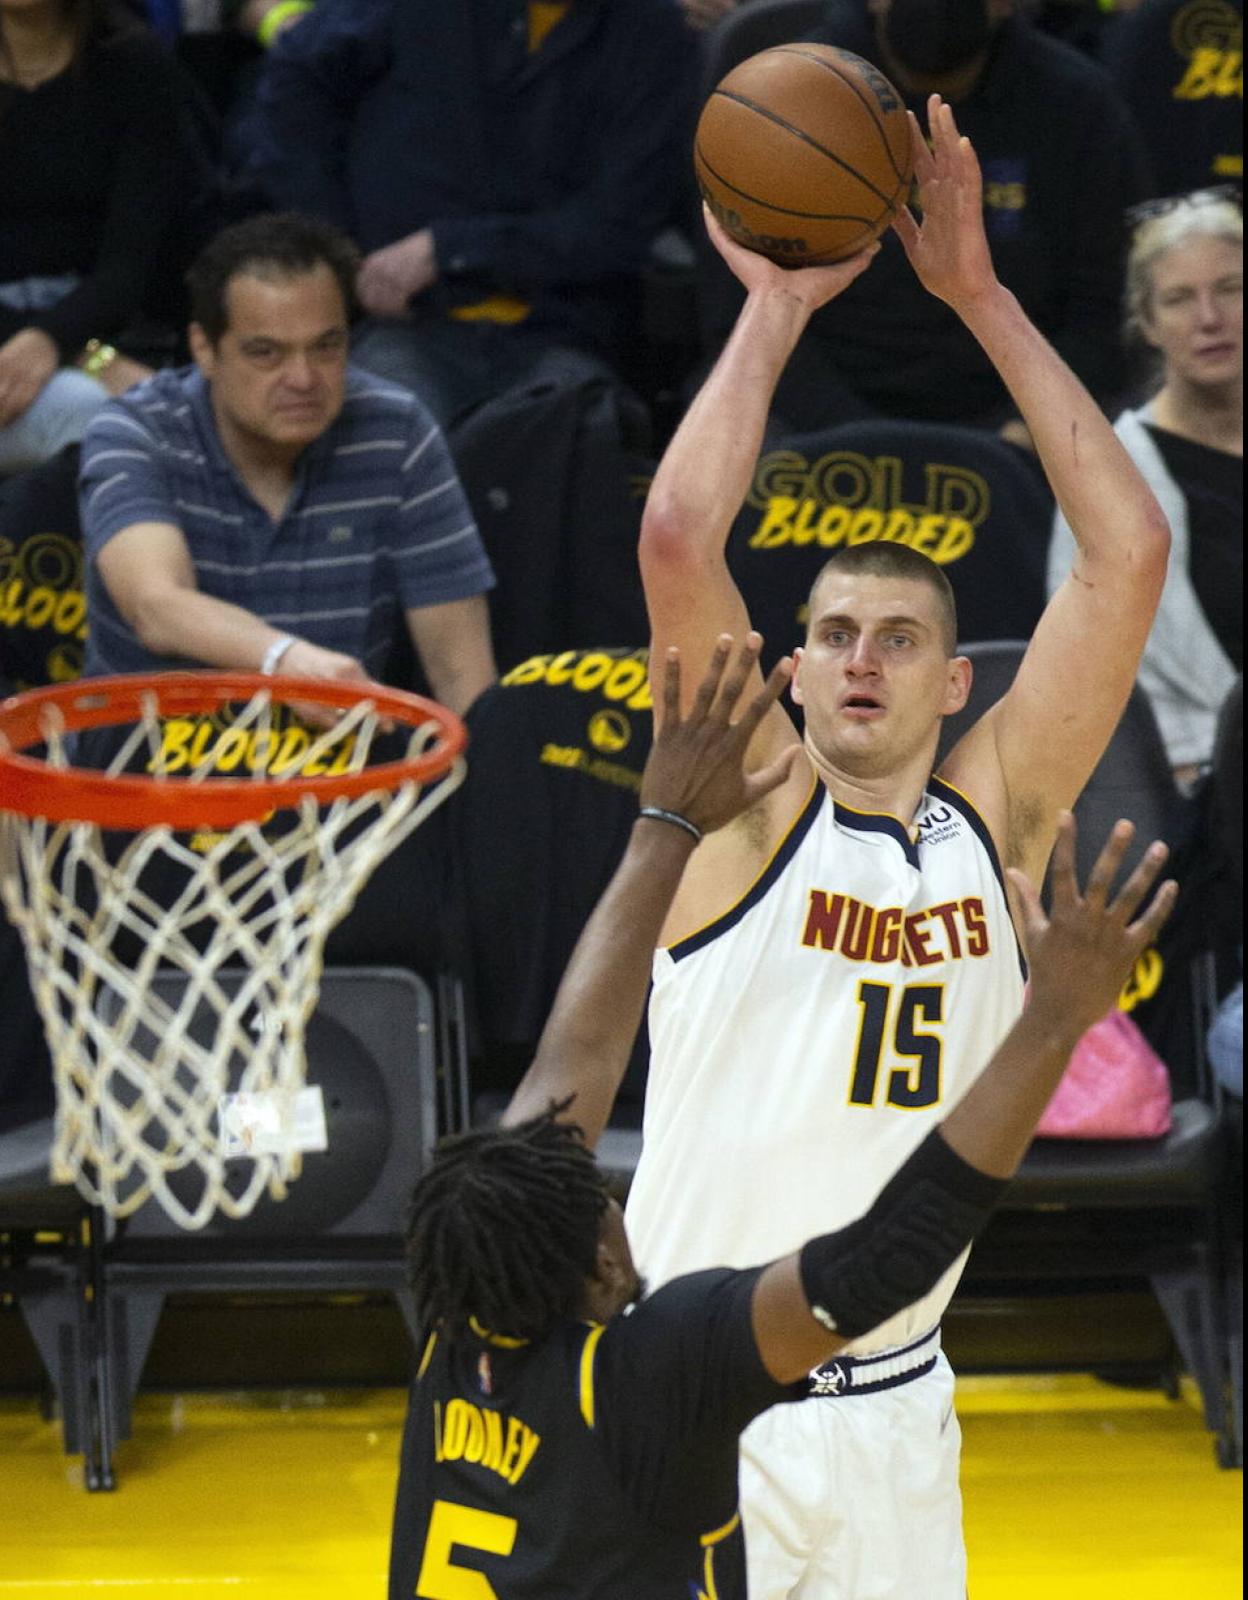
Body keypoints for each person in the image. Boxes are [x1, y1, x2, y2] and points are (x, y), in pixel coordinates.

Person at [624, 98, 1171, 1598]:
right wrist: (776, 306)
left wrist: (981, 299)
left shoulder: (993, 821)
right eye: (833, 637)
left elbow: (1128, 550)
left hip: (897, 1417)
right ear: (788, 672)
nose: (861, 660)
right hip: (699, 1393)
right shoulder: (744, 804)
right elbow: (680, 533)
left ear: (956, 682)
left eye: (901, 639)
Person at [388, 634, 1177, 1599]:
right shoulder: (649, 1369)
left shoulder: (455, 1329)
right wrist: (1051, 1022)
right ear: (600, 1264)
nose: (609, 1197)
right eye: (601, 1201)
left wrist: (668, 825)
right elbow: (889, 1251)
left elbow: (570, 1061)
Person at [77, 210, 496, 717]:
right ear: (204, 349)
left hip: (330, 774)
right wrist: (285, 660)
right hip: (144, 768)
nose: (302, 378)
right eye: (266, 353)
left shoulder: (397, 432)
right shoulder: (135, 429)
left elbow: (460, 673)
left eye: (326, 346)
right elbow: (156, 607)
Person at [696, 0, 1152, 442]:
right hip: (817, 418)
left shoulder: (1079, 104)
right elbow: (743, 304)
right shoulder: (782, 101)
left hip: (1021, 422)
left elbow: (1106, 309)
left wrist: (1024, 427)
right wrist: (847, 433)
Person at [245, 0, 697, 426]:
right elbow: (298, 76)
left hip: (561, 331)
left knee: (573, 446)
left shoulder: (652, 32)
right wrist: (337, 250)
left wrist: (449, 251)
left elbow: (619, 226)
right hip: (401, 326)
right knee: (381, 434)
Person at [1048, 189, 1241, 788]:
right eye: (1180, 299)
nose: (1210, 317)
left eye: (1231, 289)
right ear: (1148, 323)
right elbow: (1081, 659)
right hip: (1189, 784)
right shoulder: (1110, 467)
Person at [0, 0, 194, 473]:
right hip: (54, 344)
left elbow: (131, 259)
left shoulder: (136, 64)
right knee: (94, 413)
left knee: (147, 418)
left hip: (98, 323)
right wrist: (57, 349)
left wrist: (57, 341)